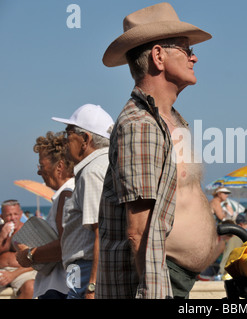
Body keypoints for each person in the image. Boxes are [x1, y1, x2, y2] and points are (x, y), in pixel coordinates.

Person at [97, 3, 219, 299]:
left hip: (172, 279)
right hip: (157, 282)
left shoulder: (170, 120)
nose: (195, 57)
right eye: (186, 49)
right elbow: (138, 233)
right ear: (158, 56)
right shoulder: (141, 126)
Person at [52, 104, 114, 299]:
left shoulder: (92, 171)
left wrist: (92, 286)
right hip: (81, 269)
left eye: (68, 133)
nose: (64, 140)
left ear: (86, 139)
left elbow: (100, 231)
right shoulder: (100, 166)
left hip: (86, 269)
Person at [15, 131, 75, 299]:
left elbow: (66, 246)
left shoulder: (66, 195)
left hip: (59, 288)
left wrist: (29, 254)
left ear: (60, 167)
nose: (39, 172)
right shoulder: (71, 192)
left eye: (41, 166)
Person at [0, 200, 36, 298]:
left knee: (31, 287)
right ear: (2, 217)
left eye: (15, 214)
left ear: (21, 214)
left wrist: (12, 274)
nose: (13, 218)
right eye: (9, 215)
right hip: (1, 270)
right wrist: (2, 236)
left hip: (22, 271)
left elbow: (38, 260)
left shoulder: (28, 231)